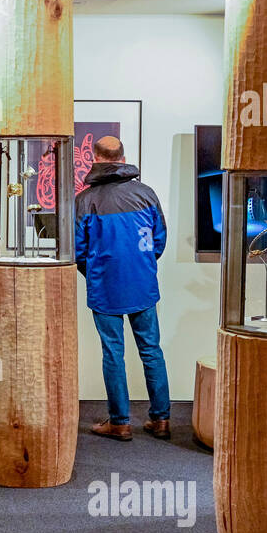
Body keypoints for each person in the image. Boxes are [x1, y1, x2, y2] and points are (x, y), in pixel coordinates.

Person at [74, 136, 171, 441]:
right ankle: (161, 419)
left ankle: (120, 422)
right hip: (143, 285)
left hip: (105, 288)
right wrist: (141, 266)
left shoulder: (85, 200)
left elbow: (78, 251)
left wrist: (95, 274)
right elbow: (159, 240)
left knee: (113, 353)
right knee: (151, 350)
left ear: (96, 158)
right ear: (123, 156)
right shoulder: (147, 194)